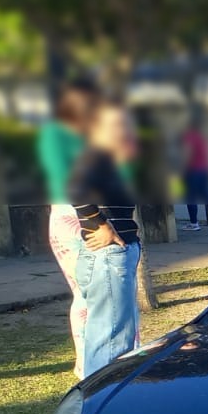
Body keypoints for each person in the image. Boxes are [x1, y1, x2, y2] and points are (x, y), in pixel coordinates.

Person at [69, 103, 142, 376]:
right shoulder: (96, 155)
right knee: (113, 338)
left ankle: (96, 396)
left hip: (111, 254)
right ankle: (101, 403)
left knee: (106, 332)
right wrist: (102, 225)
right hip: (109, 255)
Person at [36, 79, 99, 377]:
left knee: (104, 292)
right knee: (85, 293)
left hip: (91, 214)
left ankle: (105, 358)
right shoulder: (57, 136)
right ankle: (86, 363)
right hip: (70, 217)